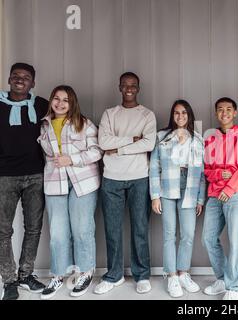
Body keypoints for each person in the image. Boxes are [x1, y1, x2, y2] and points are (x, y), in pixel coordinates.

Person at [37, 85, 103, 299]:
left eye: (66, 100)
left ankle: (85, 271)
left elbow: (97, 151)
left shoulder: (83, 123)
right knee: (57, 233)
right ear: (51, 101)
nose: (60, 103)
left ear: (72, 103)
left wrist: (71, 159)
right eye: (56, 98)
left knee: (82, 229)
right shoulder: (44, 126)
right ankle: (58, 274)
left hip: (83, 183)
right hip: (55, 183)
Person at [94, 72, 157, 295]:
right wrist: (133, 139)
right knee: (112, 229)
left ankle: (142, 275)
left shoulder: (147, 115)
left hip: (140, 177)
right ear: (119, 87)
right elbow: (103, 142)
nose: (129, 88)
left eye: (133, 85)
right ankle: (114, 275)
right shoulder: (109, 114)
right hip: (111, 178)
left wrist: (117, 149)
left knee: (140, 228)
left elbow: (149, 144)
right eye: (125, 85)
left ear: (138, 88)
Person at [201, 97, 238, 300]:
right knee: (208, 238)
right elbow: (207, 170)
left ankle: (233, 287)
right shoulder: (210, 138)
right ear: (216, 113)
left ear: (235, 112)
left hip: (235, 194)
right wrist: (220, 174)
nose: (224, 113)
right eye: (220, 110)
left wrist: (231, 186)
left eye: (228, 109)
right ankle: (223, 278)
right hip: (215, 194)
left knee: (235, 241)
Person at [0, 63, 47, 300]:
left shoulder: (40, 105)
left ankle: (25, 274)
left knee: (34, 228)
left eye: (26, 77)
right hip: (4, 176)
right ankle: (9, 281)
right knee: (3, 230)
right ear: (9, 79)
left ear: (33, 83)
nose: (20, 80)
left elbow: (62, 125)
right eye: (16, 76)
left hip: (36, 176)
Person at [150, 100, 205, 298]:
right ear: (172, 115)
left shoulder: (198, 139)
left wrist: (200, 198)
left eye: (184, 113)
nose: (180, 116)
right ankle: (171, 275)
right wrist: (155, 196)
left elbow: (202, 173)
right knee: (169, 233)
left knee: (188, 234)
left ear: (189, 115)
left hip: (189, 187)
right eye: (176, 113)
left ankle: (183, 273)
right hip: (167, 187)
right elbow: (154, 168)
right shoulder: (162, 137)